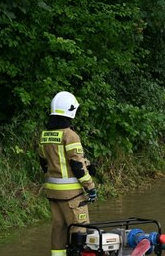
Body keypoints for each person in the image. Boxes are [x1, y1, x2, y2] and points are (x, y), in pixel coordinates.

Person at [38, 91, 97, 256]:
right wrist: (90, 187)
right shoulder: (70, 135)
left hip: (52, 191)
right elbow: (77, 166)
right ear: (70, 111)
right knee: (80, 226)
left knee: (59, 226)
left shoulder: (45, 135)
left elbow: (45, 162)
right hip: (71, 194)